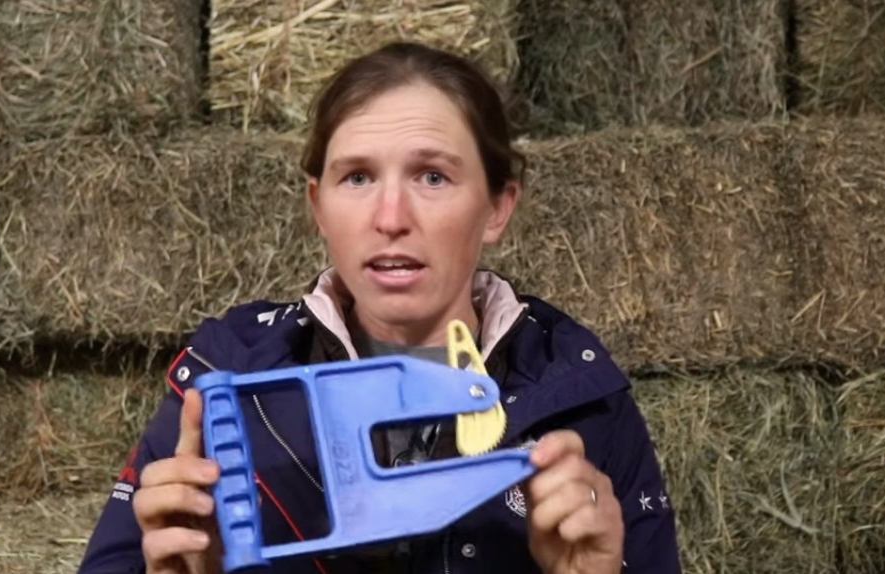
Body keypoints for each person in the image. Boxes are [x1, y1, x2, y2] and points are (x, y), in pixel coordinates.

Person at [77, 41, 681, 574]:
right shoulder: (225, 379)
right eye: (358, 178)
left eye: (432, 177)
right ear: (318, 206)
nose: (390, 218)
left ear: (498, 206)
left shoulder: (579, 394)